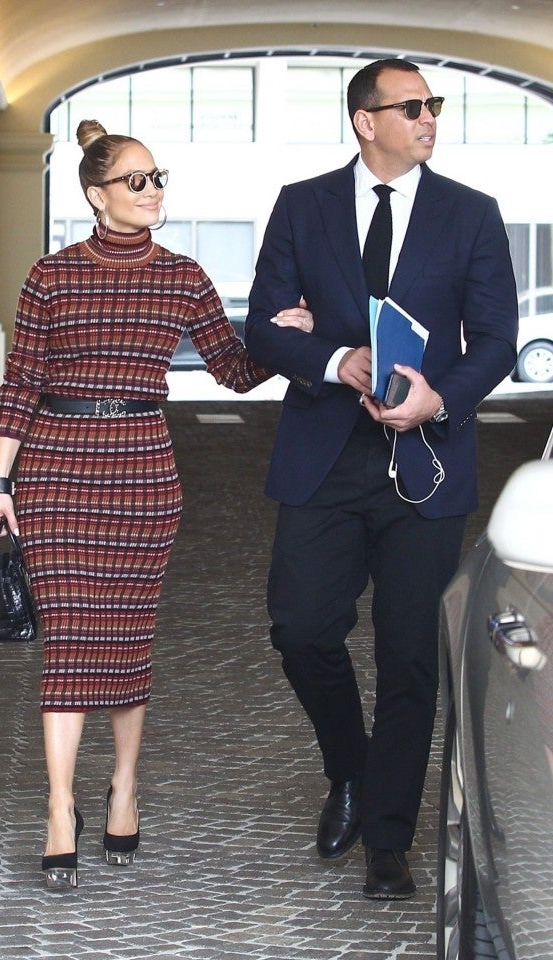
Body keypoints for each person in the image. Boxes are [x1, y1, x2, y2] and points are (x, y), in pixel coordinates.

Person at [0, 119, 313, 890]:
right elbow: (21, 382)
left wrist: (284, 335)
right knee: (69, 643)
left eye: (159, 177)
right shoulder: (50, 277)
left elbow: (233, 370)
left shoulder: (185, 277)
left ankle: (124, 788)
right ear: (98, 195)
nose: (154, 189)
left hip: (141, 475)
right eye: (137, 180)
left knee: (128, 643)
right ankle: (60, 807)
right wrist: (0, 483)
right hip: (57, 473)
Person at [244, 58, 518, 899]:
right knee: (300, 629)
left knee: (409, 660)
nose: (429, 117)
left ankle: (389, 842)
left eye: (434, 105)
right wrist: (334, 358)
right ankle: (352, 770)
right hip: (325, 453)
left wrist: (440, 397)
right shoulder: (303, 204)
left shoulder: (471, 213)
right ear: (366, 121)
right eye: (412, 106)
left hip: (426, 462)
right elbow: (262, 327)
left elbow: (496, 340)